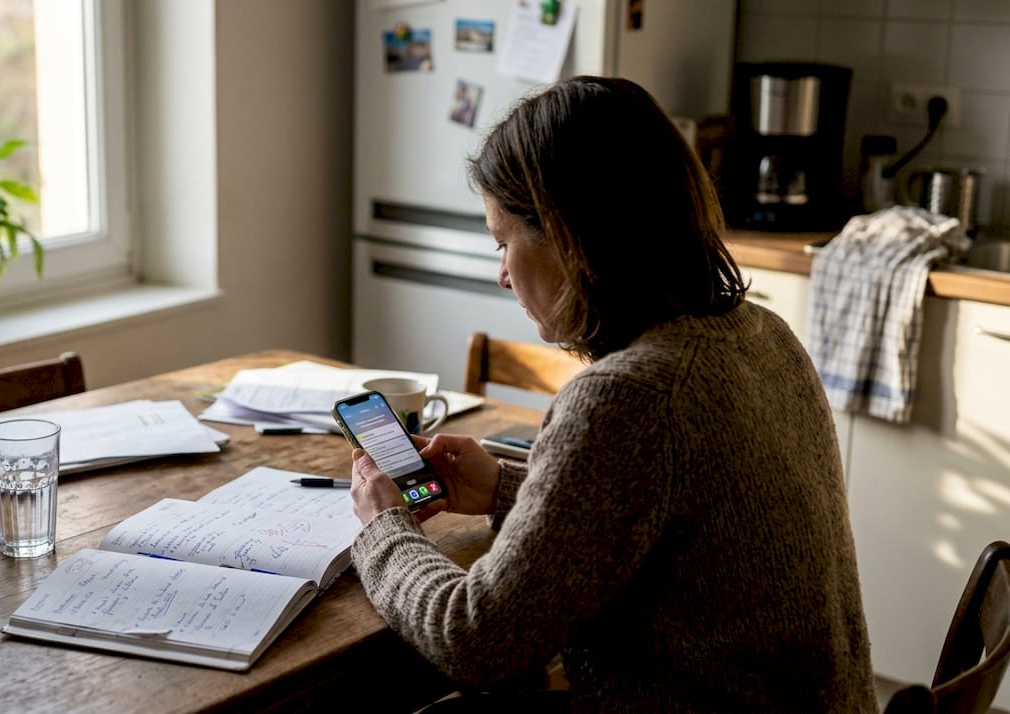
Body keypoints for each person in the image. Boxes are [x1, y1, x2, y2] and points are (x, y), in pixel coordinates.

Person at [347, 76, 877, 712]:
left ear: (570, 232)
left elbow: (476, 639)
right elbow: (672, 518)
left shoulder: (629, 397)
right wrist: (509, 489)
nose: (502, 274)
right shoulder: (761, 332)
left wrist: (384, 526)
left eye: (503, 242)